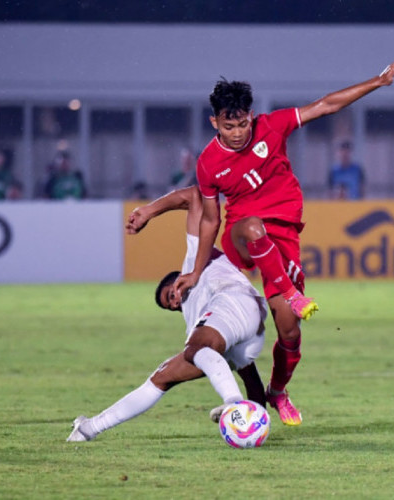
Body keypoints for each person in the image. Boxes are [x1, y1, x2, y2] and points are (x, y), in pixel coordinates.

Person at [173, 53, 394, 426]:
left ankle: (277, 391)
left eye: (242, 124)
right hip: (241, 234)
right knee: (252, 226)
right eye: (228, 126)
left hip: (282, 236)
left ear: (251, 116)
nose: (237, 133)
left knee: (289, 329)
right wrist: (196, 270)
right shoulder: (207, 162)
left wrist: (376, 82)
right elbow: (210, 220)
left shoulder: (273, 125)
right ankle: (292, 295)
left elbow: (326, 105)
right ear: (214, 122)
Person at [67, 185, 268, 441]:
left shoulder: (195, 260)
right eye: (170, 306)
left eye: (168, 294)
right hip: (249, 333)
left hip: (235, 299)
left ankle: (233, 402)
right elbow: (248, 373)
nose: (173, 302)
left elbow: (196, 195)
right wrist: (257, 417)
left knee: (195, 349)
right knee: (162, 376)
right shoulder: (197, 320)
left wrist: (149, 211)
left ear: (176, 278)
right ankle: (89, 428)